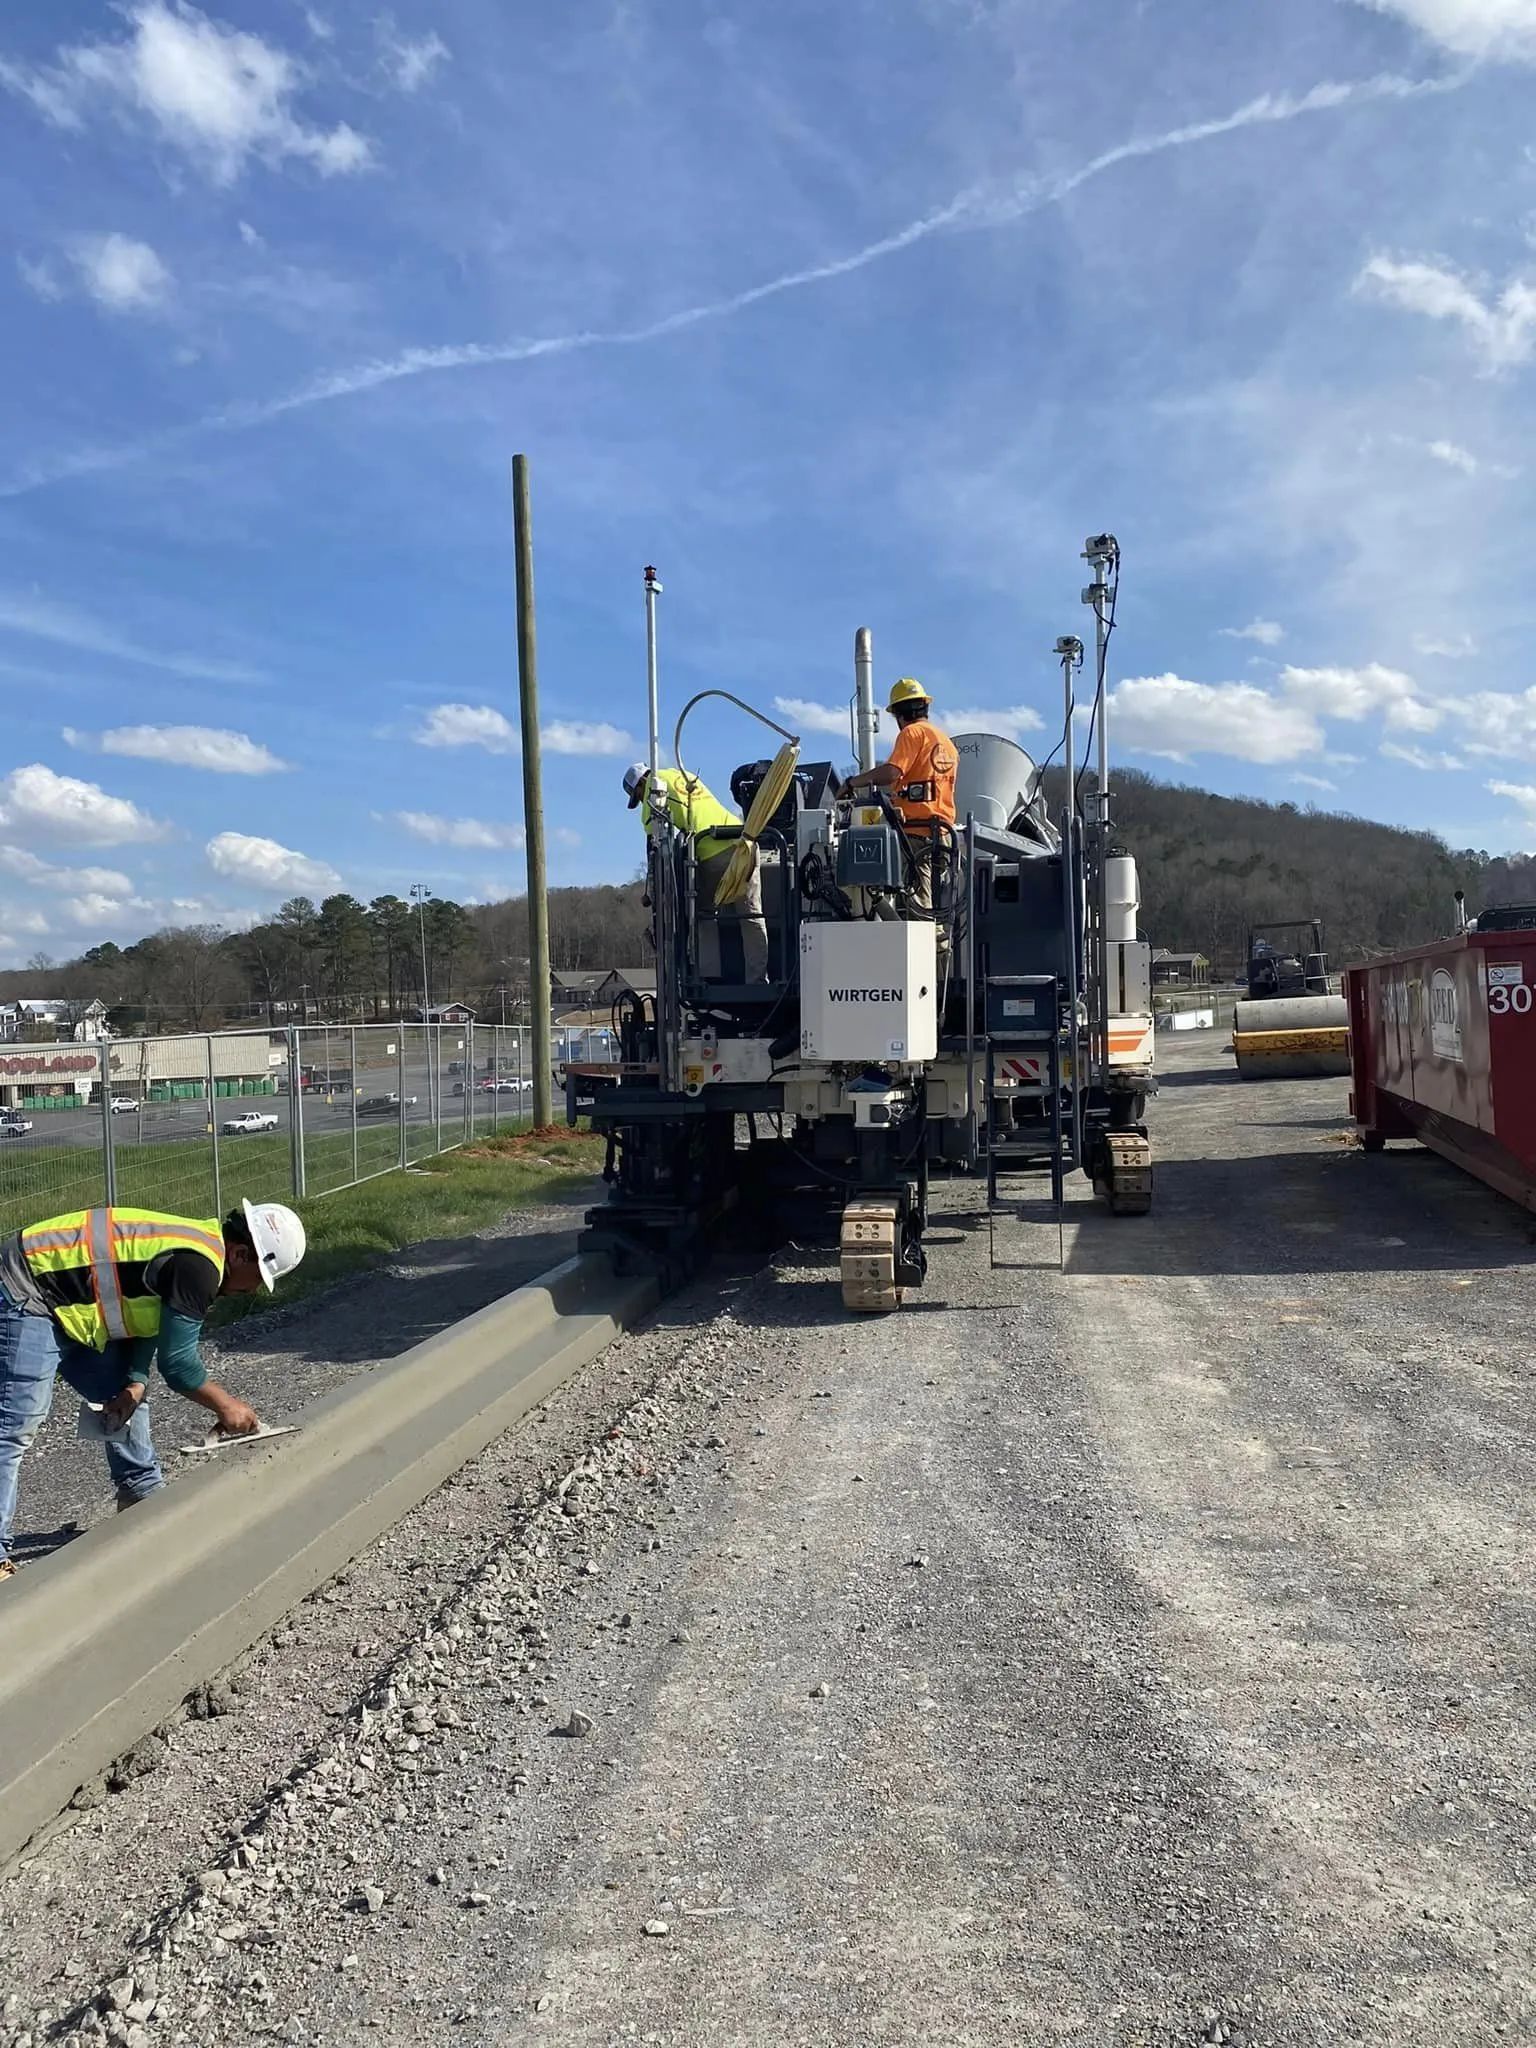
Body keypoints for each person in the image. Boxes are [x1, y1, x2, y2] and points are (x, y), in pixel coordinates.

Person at [0, 1199, 306, 1581]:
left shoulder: (200, 1253)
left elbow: (147, 1320)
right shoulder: (198, 1268)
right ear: (241, 1254)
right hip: (28, 1288)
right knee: (14, 1426)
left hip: (70, 1301)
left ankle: (139, 1494)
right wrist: (226, 1406)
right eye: (259, 1277)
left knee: (126, 1395)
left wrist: (136, 1383)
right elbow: (178, 1365)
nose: (254, 1289)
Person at [624, 761, 770, 982]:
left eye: (637, 794)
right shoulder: (682, 774)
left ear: (641, 783)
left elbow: (656, 844)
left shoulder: (652, 795)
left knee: (702, 914)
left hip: (712, 851)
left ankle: (710, 977)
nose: (640, 798)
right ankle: (758, 980)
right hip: (744, 842)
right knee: (752, 915)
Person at [842, 677, 958, 921]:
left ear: (898, 713)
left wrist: (853, 782)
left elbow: (893, 772)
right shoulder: (945, 741)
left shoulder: (912, 733)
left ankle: (924, 956)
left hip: (916, 833)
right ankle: (939, 952)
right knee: (937, 904)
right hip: (943, 833)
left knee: (916, 904)